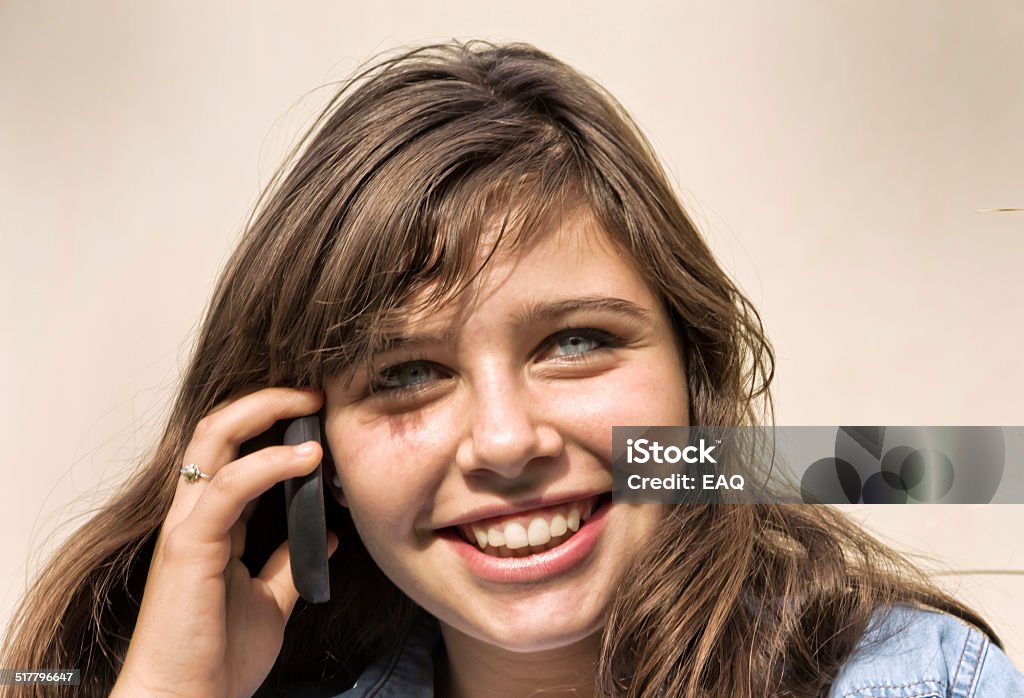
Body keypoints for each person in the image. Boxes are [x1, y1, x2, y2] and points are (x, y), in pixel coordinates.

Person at [2, 40, 1023, 698]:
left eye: (575, 341)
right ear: (309, 463)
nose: (504, 439)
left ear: (691, 382)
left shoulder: (923, 681)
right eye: (404, 372)